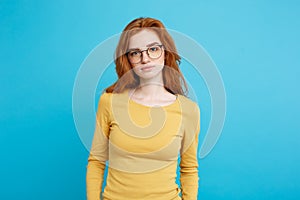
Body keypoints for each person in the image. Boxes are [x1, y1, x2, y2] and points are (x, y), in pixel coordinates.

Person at [86, 17, 200, 200]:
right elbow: (96, 161)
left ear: (165, 52)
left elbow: (189, 169)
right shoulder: (109, 102)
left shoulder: (189, 110)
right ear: (128, 59)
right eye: (135, 53)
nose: (145, 59)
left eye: (153, 49)